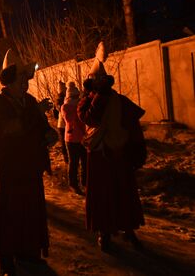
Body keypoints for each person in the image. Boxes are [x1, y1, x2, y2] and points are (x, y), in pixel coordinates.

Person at [0, 49, 57, 275]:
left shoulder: (30, 101)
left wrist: (49, 134)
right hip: (9, 171)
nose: (24, 85)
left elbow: (41, 126)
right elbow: (10, 129)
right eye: (19, 80)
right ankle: (7, 261)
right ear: (8, 83)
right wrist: (34, 114)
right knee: (9, 217)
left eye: (25, 80)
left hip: (31, 170)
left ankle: (28, 252)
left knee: (31, 214)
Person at [77, 42, 146, 252]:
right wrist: (99, 98)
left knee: (124, 194)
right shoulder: (86, 102)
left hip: (120, 154)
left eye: (102, 82)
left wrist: (137, 151)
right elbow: (90, 119)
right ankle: (104, 232)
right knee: (103, 196)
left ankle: (128, 230)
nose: (99, 84)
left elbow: (132, 124)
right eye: (95, 82)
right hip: (99, 157)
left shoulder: (119, 100)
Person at [61, 82, 87, 195]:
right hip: (71, 139)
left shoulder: (80, 105)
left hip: (82, 137)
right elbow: (71, 120)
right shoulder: (65, 107)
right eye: (74, 97)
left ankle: (85, 182)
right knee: (74, 162)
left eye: (77, 96)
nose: (76, 99)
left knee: (85, 162)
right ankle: (73, 184)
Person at [56, 81, 68, 164]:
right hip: (65, 123)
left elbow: (56, 113)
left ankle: (66, 158)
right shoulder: (65, 99)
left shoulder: (58, 100)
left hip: (61, 124)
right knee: (66, 142)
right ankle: (67, 157)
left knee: (63, 142)